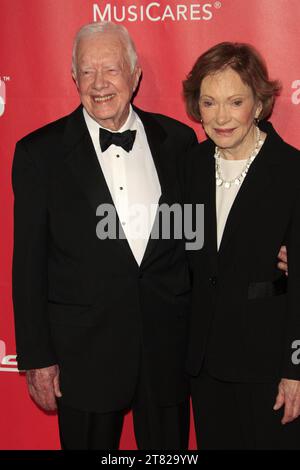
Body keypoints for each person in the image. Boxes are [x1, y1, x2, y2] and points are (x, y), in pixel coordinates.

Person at [12, 21, 198, 450]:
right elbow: (28, 266)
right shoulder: (39, 153)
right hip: (84, 355)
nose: (99, 84)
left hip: (166, 350)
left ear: (135, 76)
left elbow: (196, 241)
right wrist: (38, 359)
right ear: (73, 78)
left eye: (111, 70)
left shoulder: (178, 142)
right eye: (87, 72)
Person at [183, 42, 300, 449]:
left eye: (235, 101)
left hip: (269, 369)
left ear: (258, 105)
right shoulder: (189, 167)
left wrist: (295, 370)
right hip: (204, 367)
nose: (220, 116)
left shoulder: (291, 172)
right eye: (209, 102)